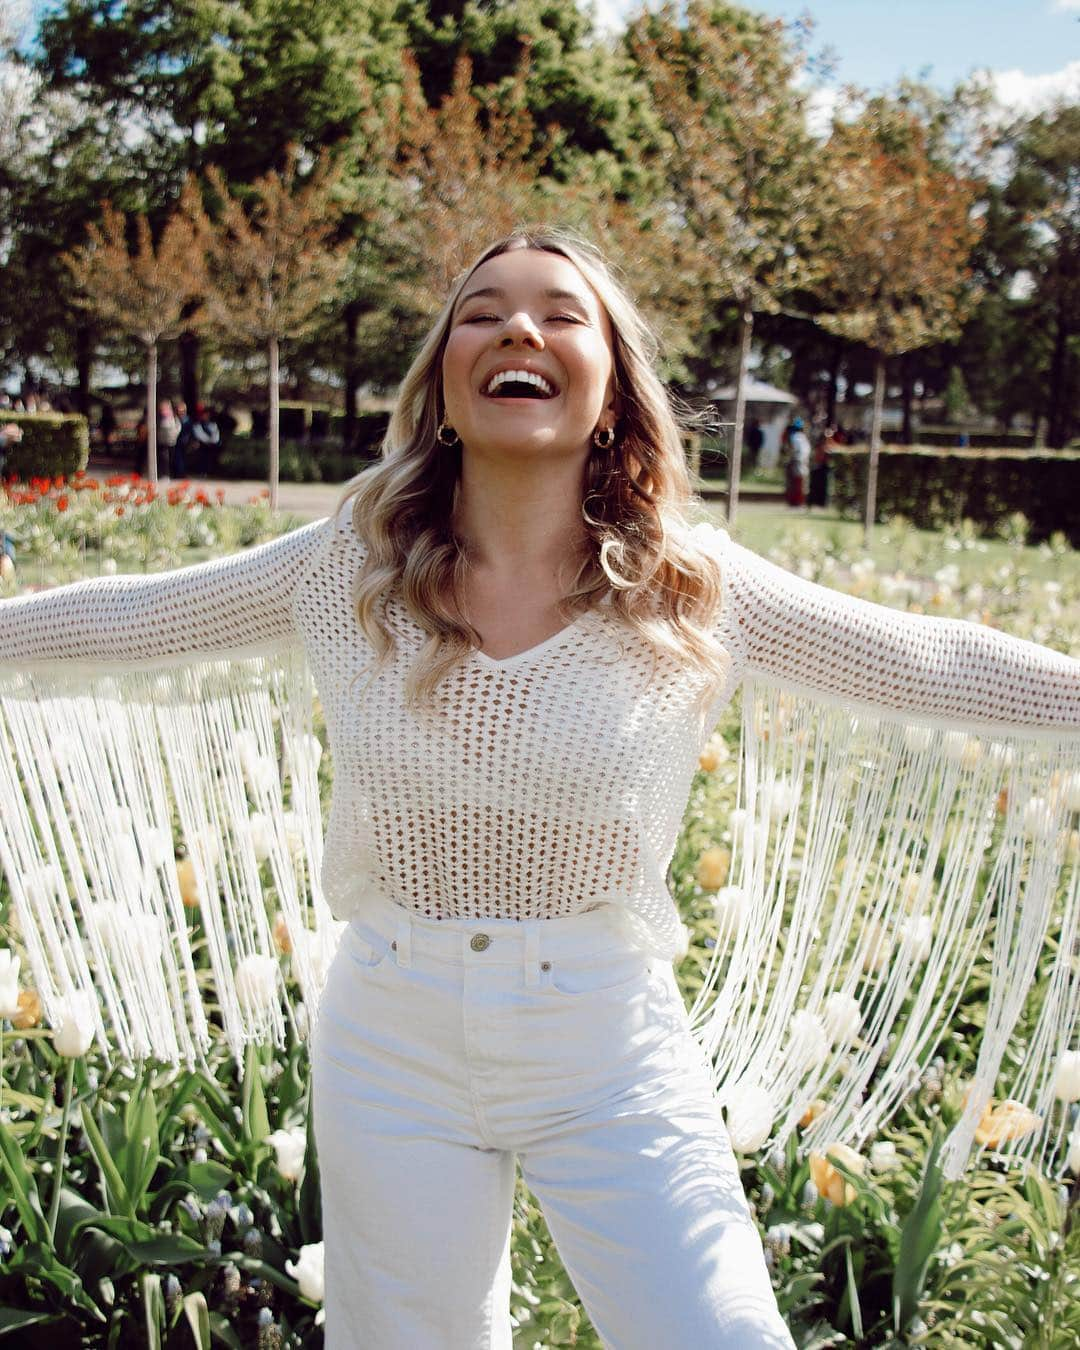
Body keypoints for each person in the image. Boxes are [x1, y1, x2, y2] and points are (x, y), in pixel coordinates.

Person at [0, 231, 1078, 1348]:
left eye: (562, 314)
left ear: (611, 387)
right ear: (445, 390)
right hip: (390, 1040)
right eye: (484, 312)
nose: (520, 329)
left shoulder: (692, 588)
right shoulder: (346, 568)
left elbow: (932, 659)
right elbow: (124, 615)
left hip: (606, 1042)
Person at [783, 416, 810, 507]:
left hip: (797, 461)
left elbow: (795, 450)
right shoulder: (802, 437)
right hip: (802, 461)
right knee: (799, 482)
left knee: (796, 482)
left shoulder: (796, 437)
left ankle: (796, 502)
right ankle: (797, 501)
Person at [808, 424, 835, 509]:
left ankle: (823, 503)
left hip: (824, 468)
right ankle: (814, 502)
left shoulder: (830, 446)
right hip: (818, 468)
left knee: (825, 487)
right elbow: (816, 457)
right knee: (816, 486)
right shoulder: (819, 446)